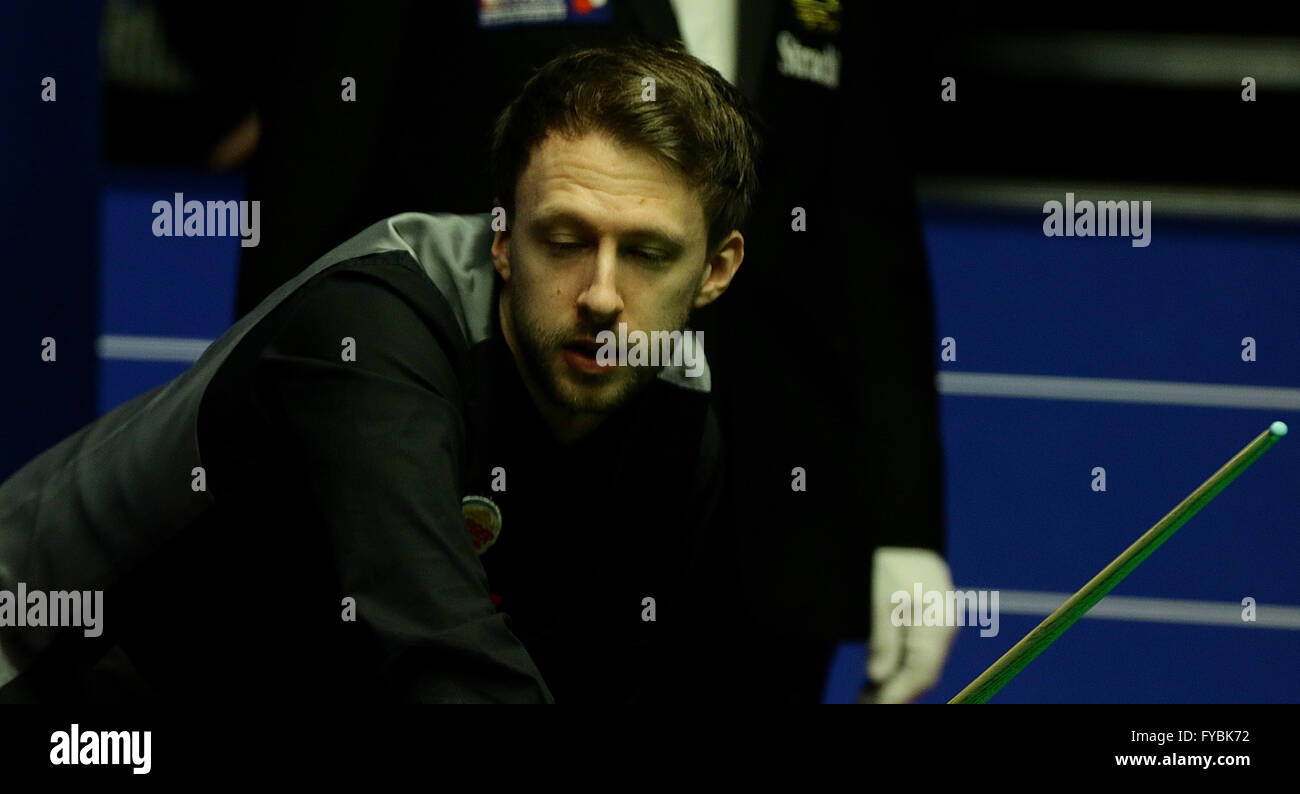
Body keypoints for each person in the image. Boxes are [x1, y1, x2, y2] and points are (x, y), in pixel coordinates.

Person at [0, 41, 758, 703]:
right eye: (562, 240)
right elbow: (441, 649)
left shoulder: (678, 405)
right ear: (500, 239)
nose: (599, 294)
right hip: (60, 657)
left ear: (716, 270)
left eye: (647, 254)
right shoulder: (370, 334)